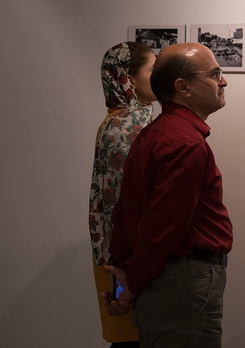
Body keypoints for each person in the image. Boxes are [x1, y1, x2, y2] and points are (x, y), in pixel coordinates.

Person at [104, 43, 233, 348]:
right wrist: (131, 287)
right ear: (182, 87)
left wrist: (125, 275)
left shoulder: (154, 135)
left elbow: (124, 212)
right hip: (182, 285)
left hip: (164, 282)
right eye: (214, 74)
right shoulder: (184, 143)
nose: (224, 81)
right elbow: (162, 228)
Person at [89, 41, 156, 347]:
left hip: (121, 253)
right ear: (128, 78)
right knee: (133, 337)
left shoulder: (121, 119)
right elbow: (125, 200)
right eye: (152, 70)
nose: (158, 77)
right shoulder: (127, 124)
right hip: (126, 257)